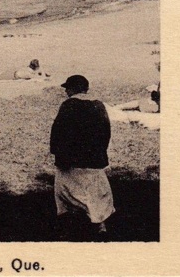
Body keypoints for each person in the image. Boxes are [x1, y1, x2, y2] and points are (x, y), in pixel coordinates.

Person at [50, 75, 114, 240]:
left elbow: (59, 131)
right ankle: (100, 224)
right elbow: (105, 131)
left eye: (67, 88)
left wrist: (59, 153)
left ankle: (68, 221)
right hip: (94, 160)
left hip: (72, 161)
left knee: (65, 191)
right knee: (96, 193)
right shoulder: (99, 105)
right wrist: (100, 152)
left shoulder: (68, 106)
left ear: (72, 89)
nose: (65, 91)